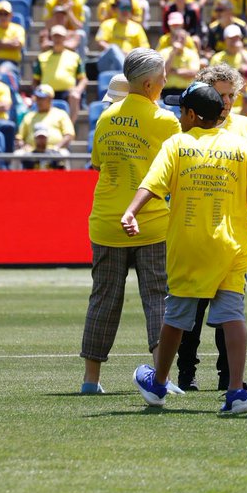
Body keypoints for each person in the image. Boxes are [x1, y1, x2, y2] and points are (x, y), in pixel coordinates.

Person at [128, 83, 247, 414]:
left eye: (181, 111)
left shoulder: (177, 144)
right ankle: (237, 392)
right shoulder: (241, 148)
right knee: (233, 315)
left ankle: (158, 383)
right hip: (232, 246)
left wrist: (130, 212)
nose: (179, 117)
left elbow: (152, 184)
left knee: (177, 317)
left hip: (189, 245)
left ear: (192, 115)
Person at [79, 49, 181, 394]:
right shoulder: (166, 121)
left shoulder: (105, 118)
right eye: (164, 76)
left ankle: (90, 380)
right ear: (150, 83)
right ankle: (162, 379)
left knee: (103, 300)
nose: (167, 81)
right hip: (151, 223)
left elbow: (97, 165)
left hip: (106, 220)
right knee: (157, 299)